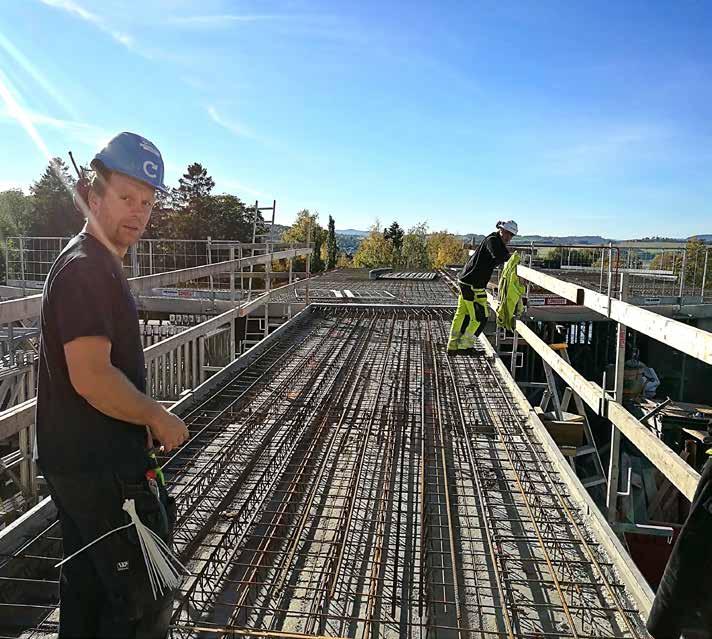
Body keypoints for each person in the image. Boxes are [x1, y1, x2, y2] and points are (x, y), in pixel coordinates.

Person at [35, 132, 190, 638]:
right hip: (103, 473)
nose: (139, 212)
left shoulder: (90, 261)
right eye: (126, 197)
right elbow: (92, 375)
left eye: (146, 203)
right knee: (142, 604)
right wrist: (153, 415)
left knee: (88, 597)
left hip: (79, 464)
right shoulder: (87, 270)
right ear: (92, 195)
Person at [447, 220, 518, 353]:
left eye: (511, 235)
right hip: (473, 285)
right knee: (480, 318)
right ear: (501, 230)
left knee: (462, 315)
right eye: (508, 233)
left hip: (466, 281)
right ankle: (464, 346)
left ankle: (452, 345)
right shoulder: (493, 241)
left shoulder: (495, 240)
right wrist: (515, 260)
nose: (509, 237)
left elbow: (502, 255)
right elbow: (499, 256)